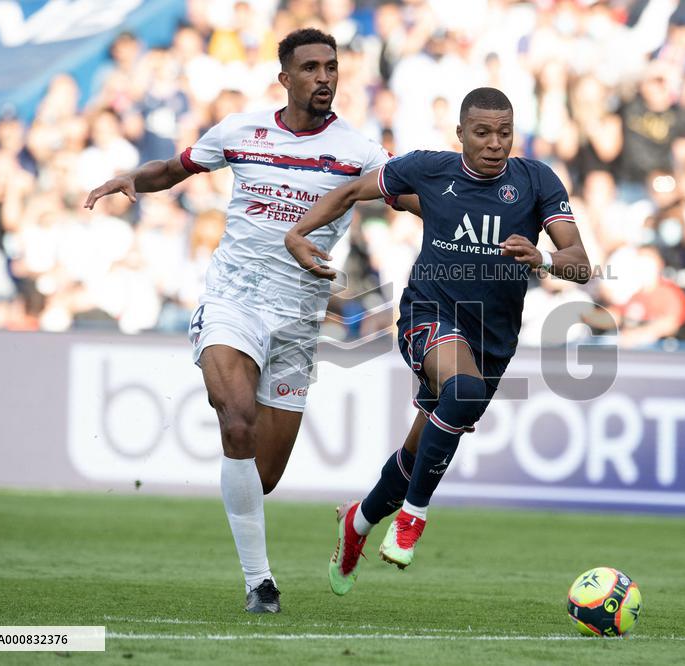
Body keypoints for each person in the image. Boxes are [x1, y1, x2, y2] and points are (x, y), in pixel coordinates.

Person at [83, 28, 415, 613]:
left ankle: (265, 534)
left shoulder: (360, 152)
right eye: (310, 67)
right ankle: (260, 583)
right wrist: (136, 177)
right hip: (234, 300)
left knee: (260, 478)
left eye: (331, 67)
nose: (324, 77)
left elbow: (411, 197)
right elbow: (179, 167)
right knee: (235, 420)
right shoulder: (241, 131)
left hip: (298, 322)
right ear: (284, 78)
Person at [285, 87, 591, 596]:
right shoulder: (429, 170)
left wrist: (543, 260)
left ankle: (357, 522)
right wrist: (299, 234)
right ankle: (413, 520)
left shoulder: (537, 180)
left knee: (418, 453)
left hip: (493, 338)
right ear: (461, 134)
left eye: (505, 133)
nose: (495, 143)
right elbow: (350, 193)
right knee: (463, 394)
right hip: (429, 313)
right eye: (483, 132)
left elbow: (579, 261)